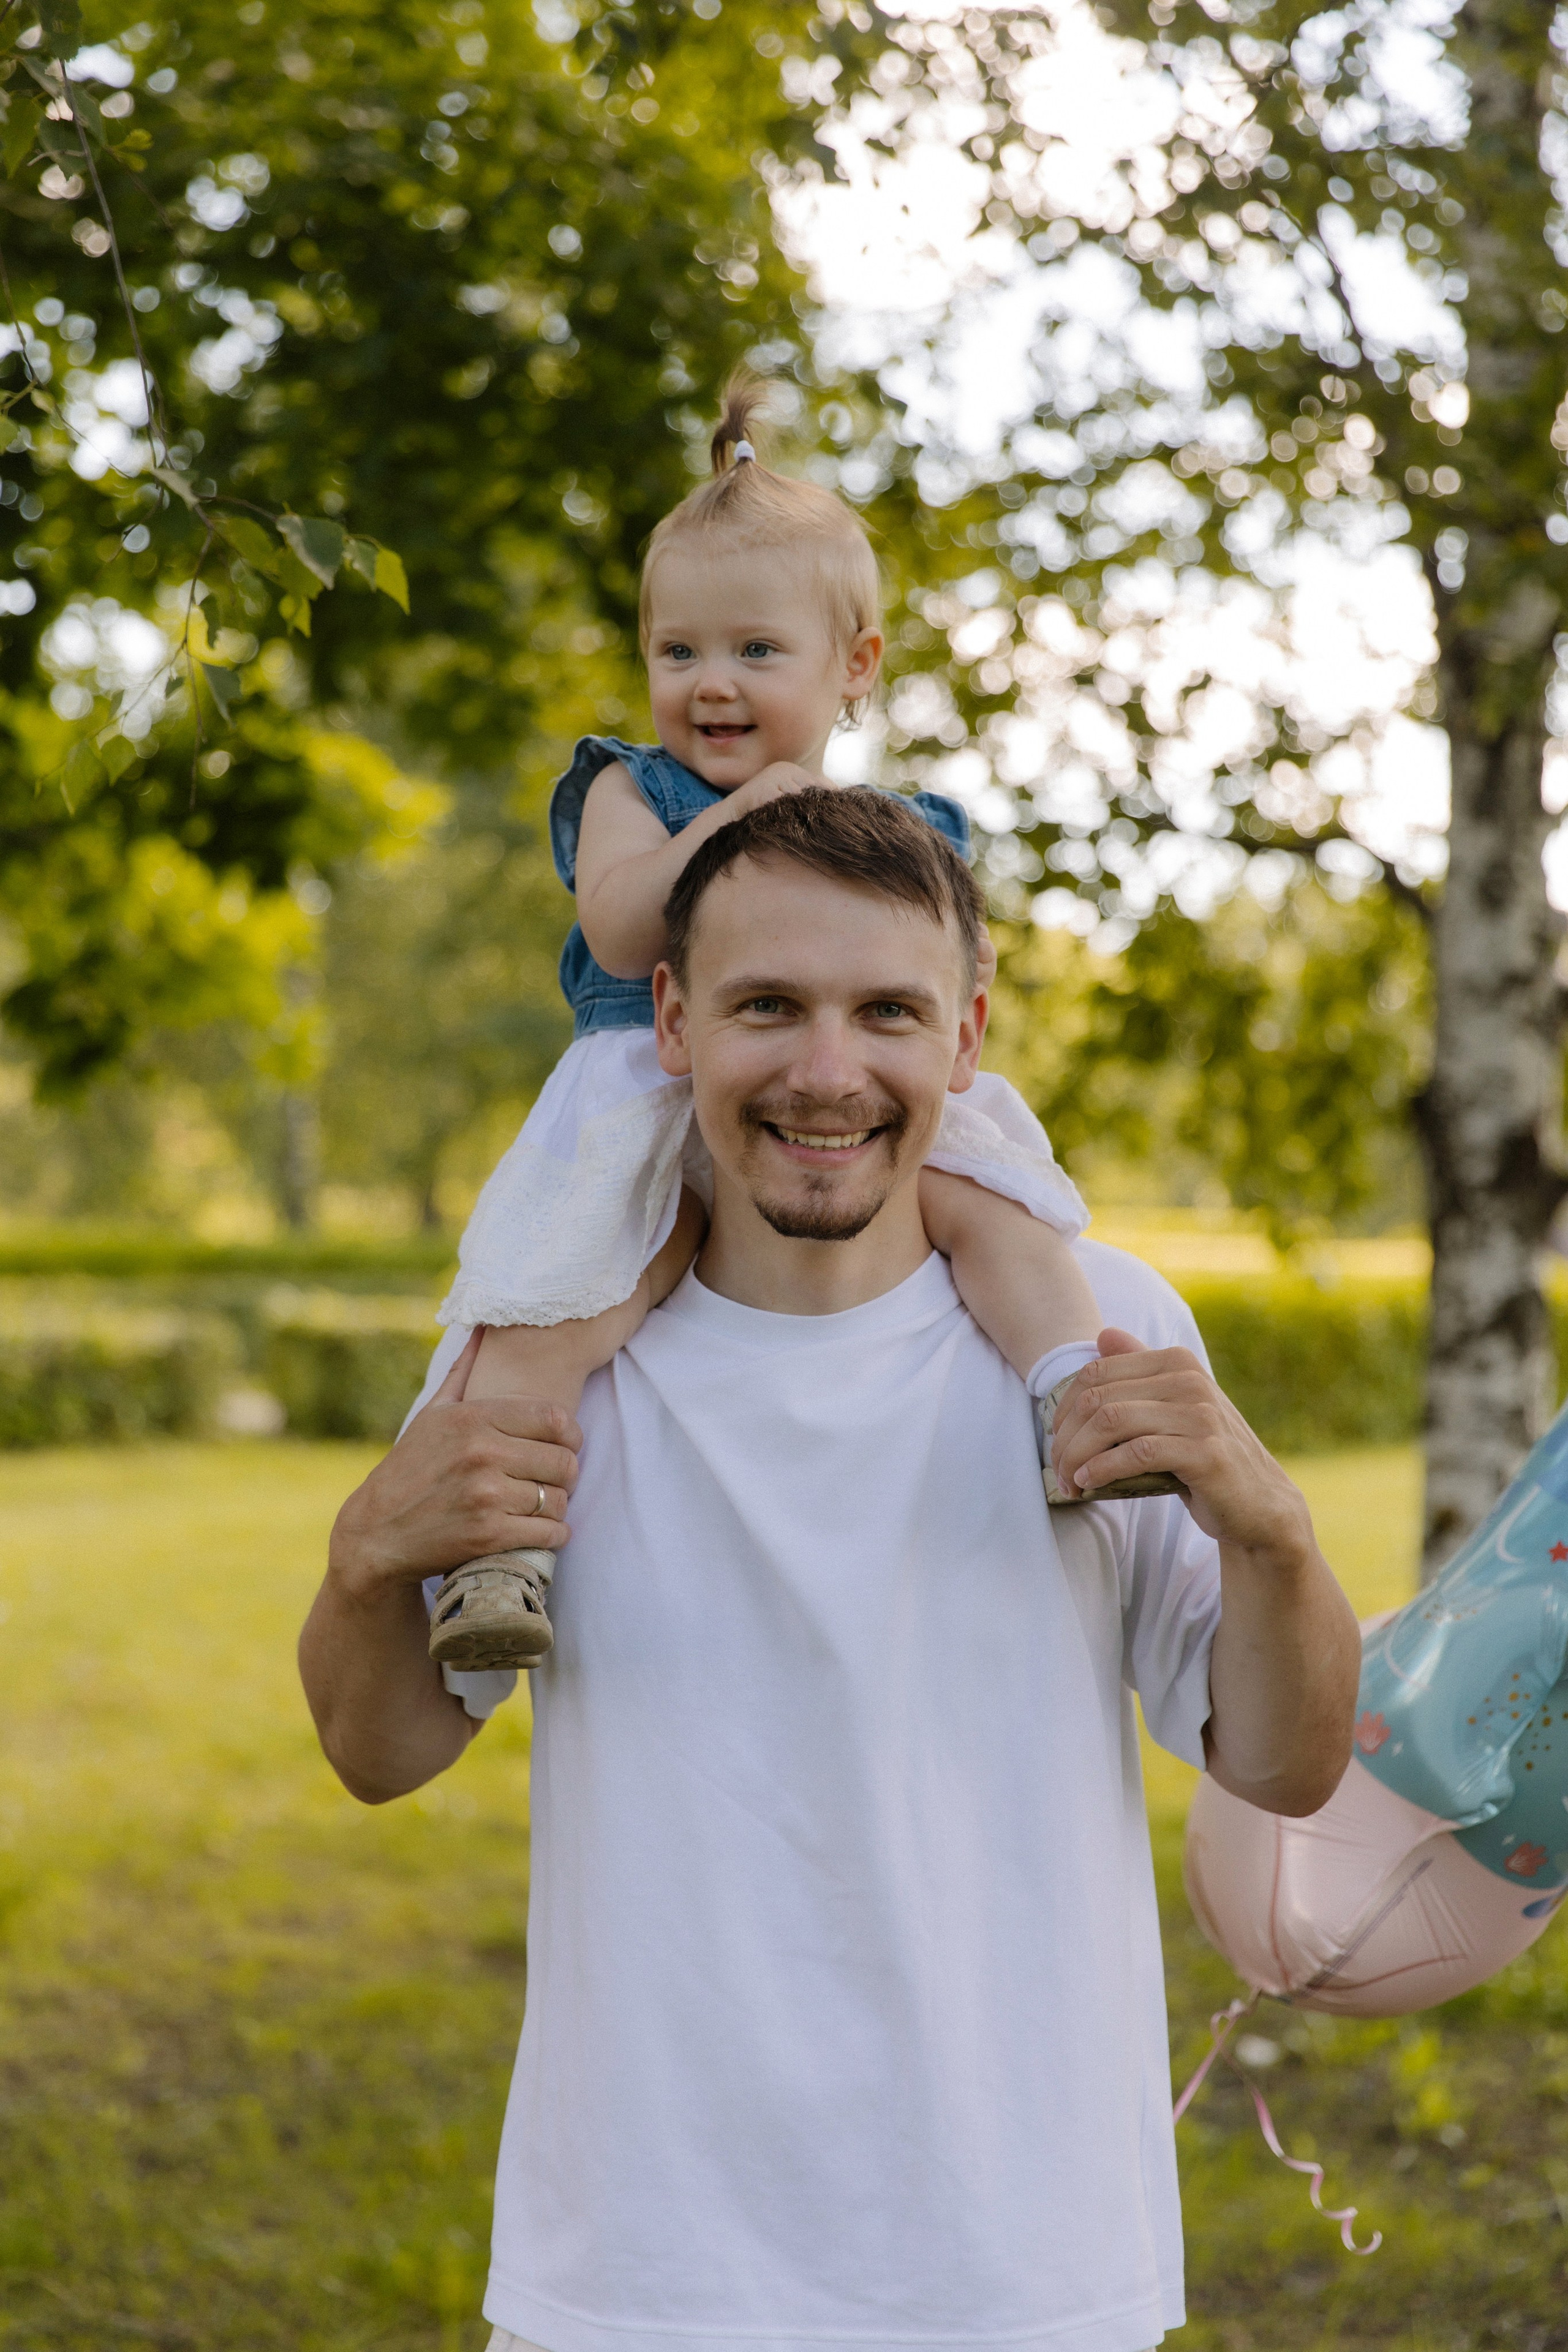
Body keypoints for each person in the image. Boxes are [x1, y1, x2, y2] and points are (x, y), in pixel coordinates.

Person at [300, 786, 1360, 2352]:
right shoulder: (537, 1355)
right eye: (765, 1008)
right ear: (668, 1018)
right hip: (636, 2284)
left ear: (967, 1035)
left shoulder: (1099, 1336)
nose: (824, 1071)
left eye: (885, 1013)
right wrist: (363, 1562)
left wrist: (1269, 1531)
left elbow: (1283, 1760)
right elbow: (382, 1752)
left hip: (1025, 2273)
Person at [426, 374, 1174, 1675]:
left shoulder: (902, 828)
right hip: (644, 1104)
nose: (711, 685)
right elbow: (616, 930)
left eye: (755, 653)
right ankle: (497, 1557)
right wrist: (745, 811)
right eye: (679, 653)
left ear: (854, 670)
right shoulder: (629, 786)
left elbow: (957, 956)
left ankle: (1067, 1402)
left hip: (824, 1116)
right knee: (554, 1312)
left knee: (999, 1211)